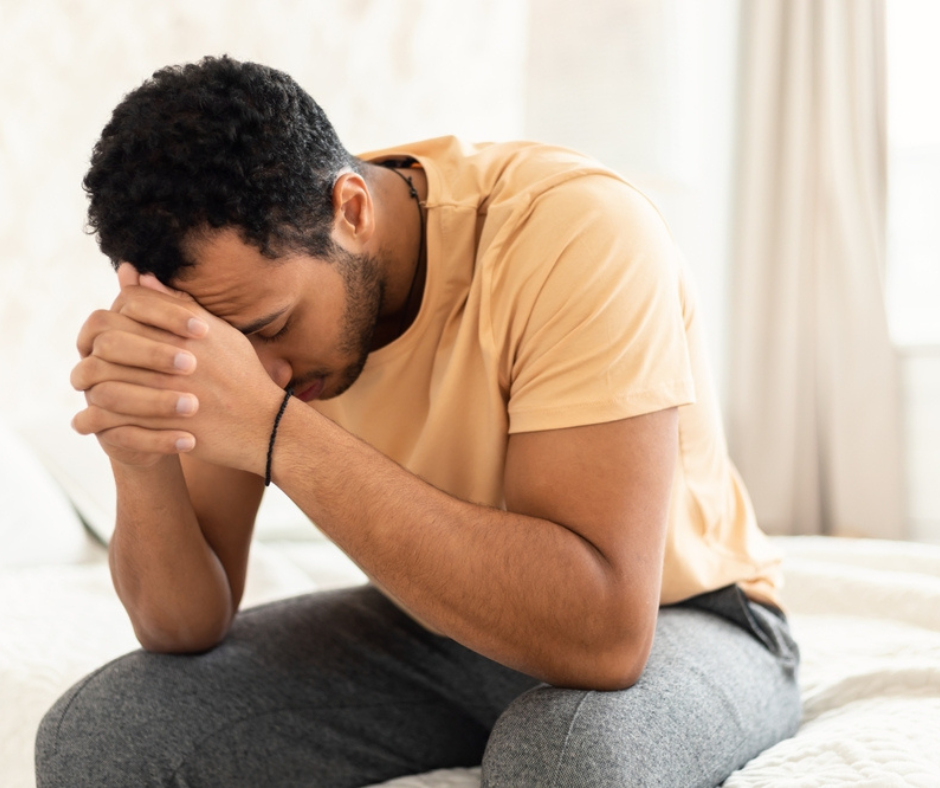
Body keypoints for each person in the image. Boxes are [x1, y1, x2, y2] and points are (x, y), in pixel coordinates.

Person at [36, 56, 800, 787]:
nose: (258, 371)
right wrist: (138, 454)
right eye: (231, 348)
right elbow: (184, 627)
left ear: (353, 211)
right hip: (445, 627)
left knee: (566, 762)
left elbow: (602, 636)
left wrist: (274, 433)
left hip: (684, 615)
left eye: (271, 327)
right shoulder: (248, 298)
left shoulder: (575, 229)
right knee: (100, 739)